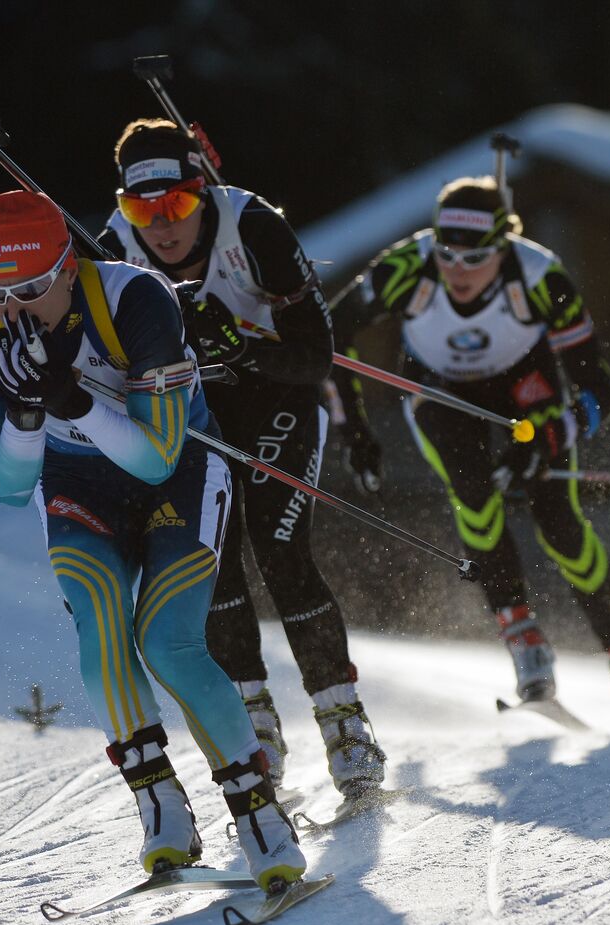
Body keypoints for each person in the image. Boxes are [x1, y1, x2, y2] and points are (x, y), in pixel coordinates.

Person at [0, 190, 307, 887]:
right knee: (97, 613)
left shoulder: (135, 300)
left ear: (68, 267)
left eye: (30, 288)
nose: (14, 311)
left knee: (168, 642)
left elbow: (156, 454)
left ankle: (258, 809)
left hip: (176, 473)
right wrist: (30, 412)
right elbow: (5, 484)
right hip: (76, 482)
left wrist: (75, 399)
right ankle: (158, 800)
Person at [97, 119, 385, 799]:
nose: (161, 226)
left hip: (280, 398)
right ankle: (256, 727)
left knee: (283, 553)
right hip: (193, 417)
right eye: (144, 209)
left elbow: (318, 354)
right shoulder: (112, 248)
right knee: (211, 562)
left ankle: (345, 723)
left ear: (202, 192)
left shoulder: (252, 225)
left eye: (176, 205)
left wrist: (243, 346)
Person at [328, 176, 610, 725]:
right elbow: (330, 336)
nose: (458, 270)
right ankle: (523, 638)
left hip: (525, 387)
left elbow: (599, 391)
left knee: (559, 520)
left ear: (504, 245)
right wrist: (354, 429)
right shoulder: (405, 267)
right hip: (439, 390)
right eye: (447, 254)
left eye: (477, 257)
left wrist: (548, 437)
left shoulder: (541, 276)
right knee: (475, 498)